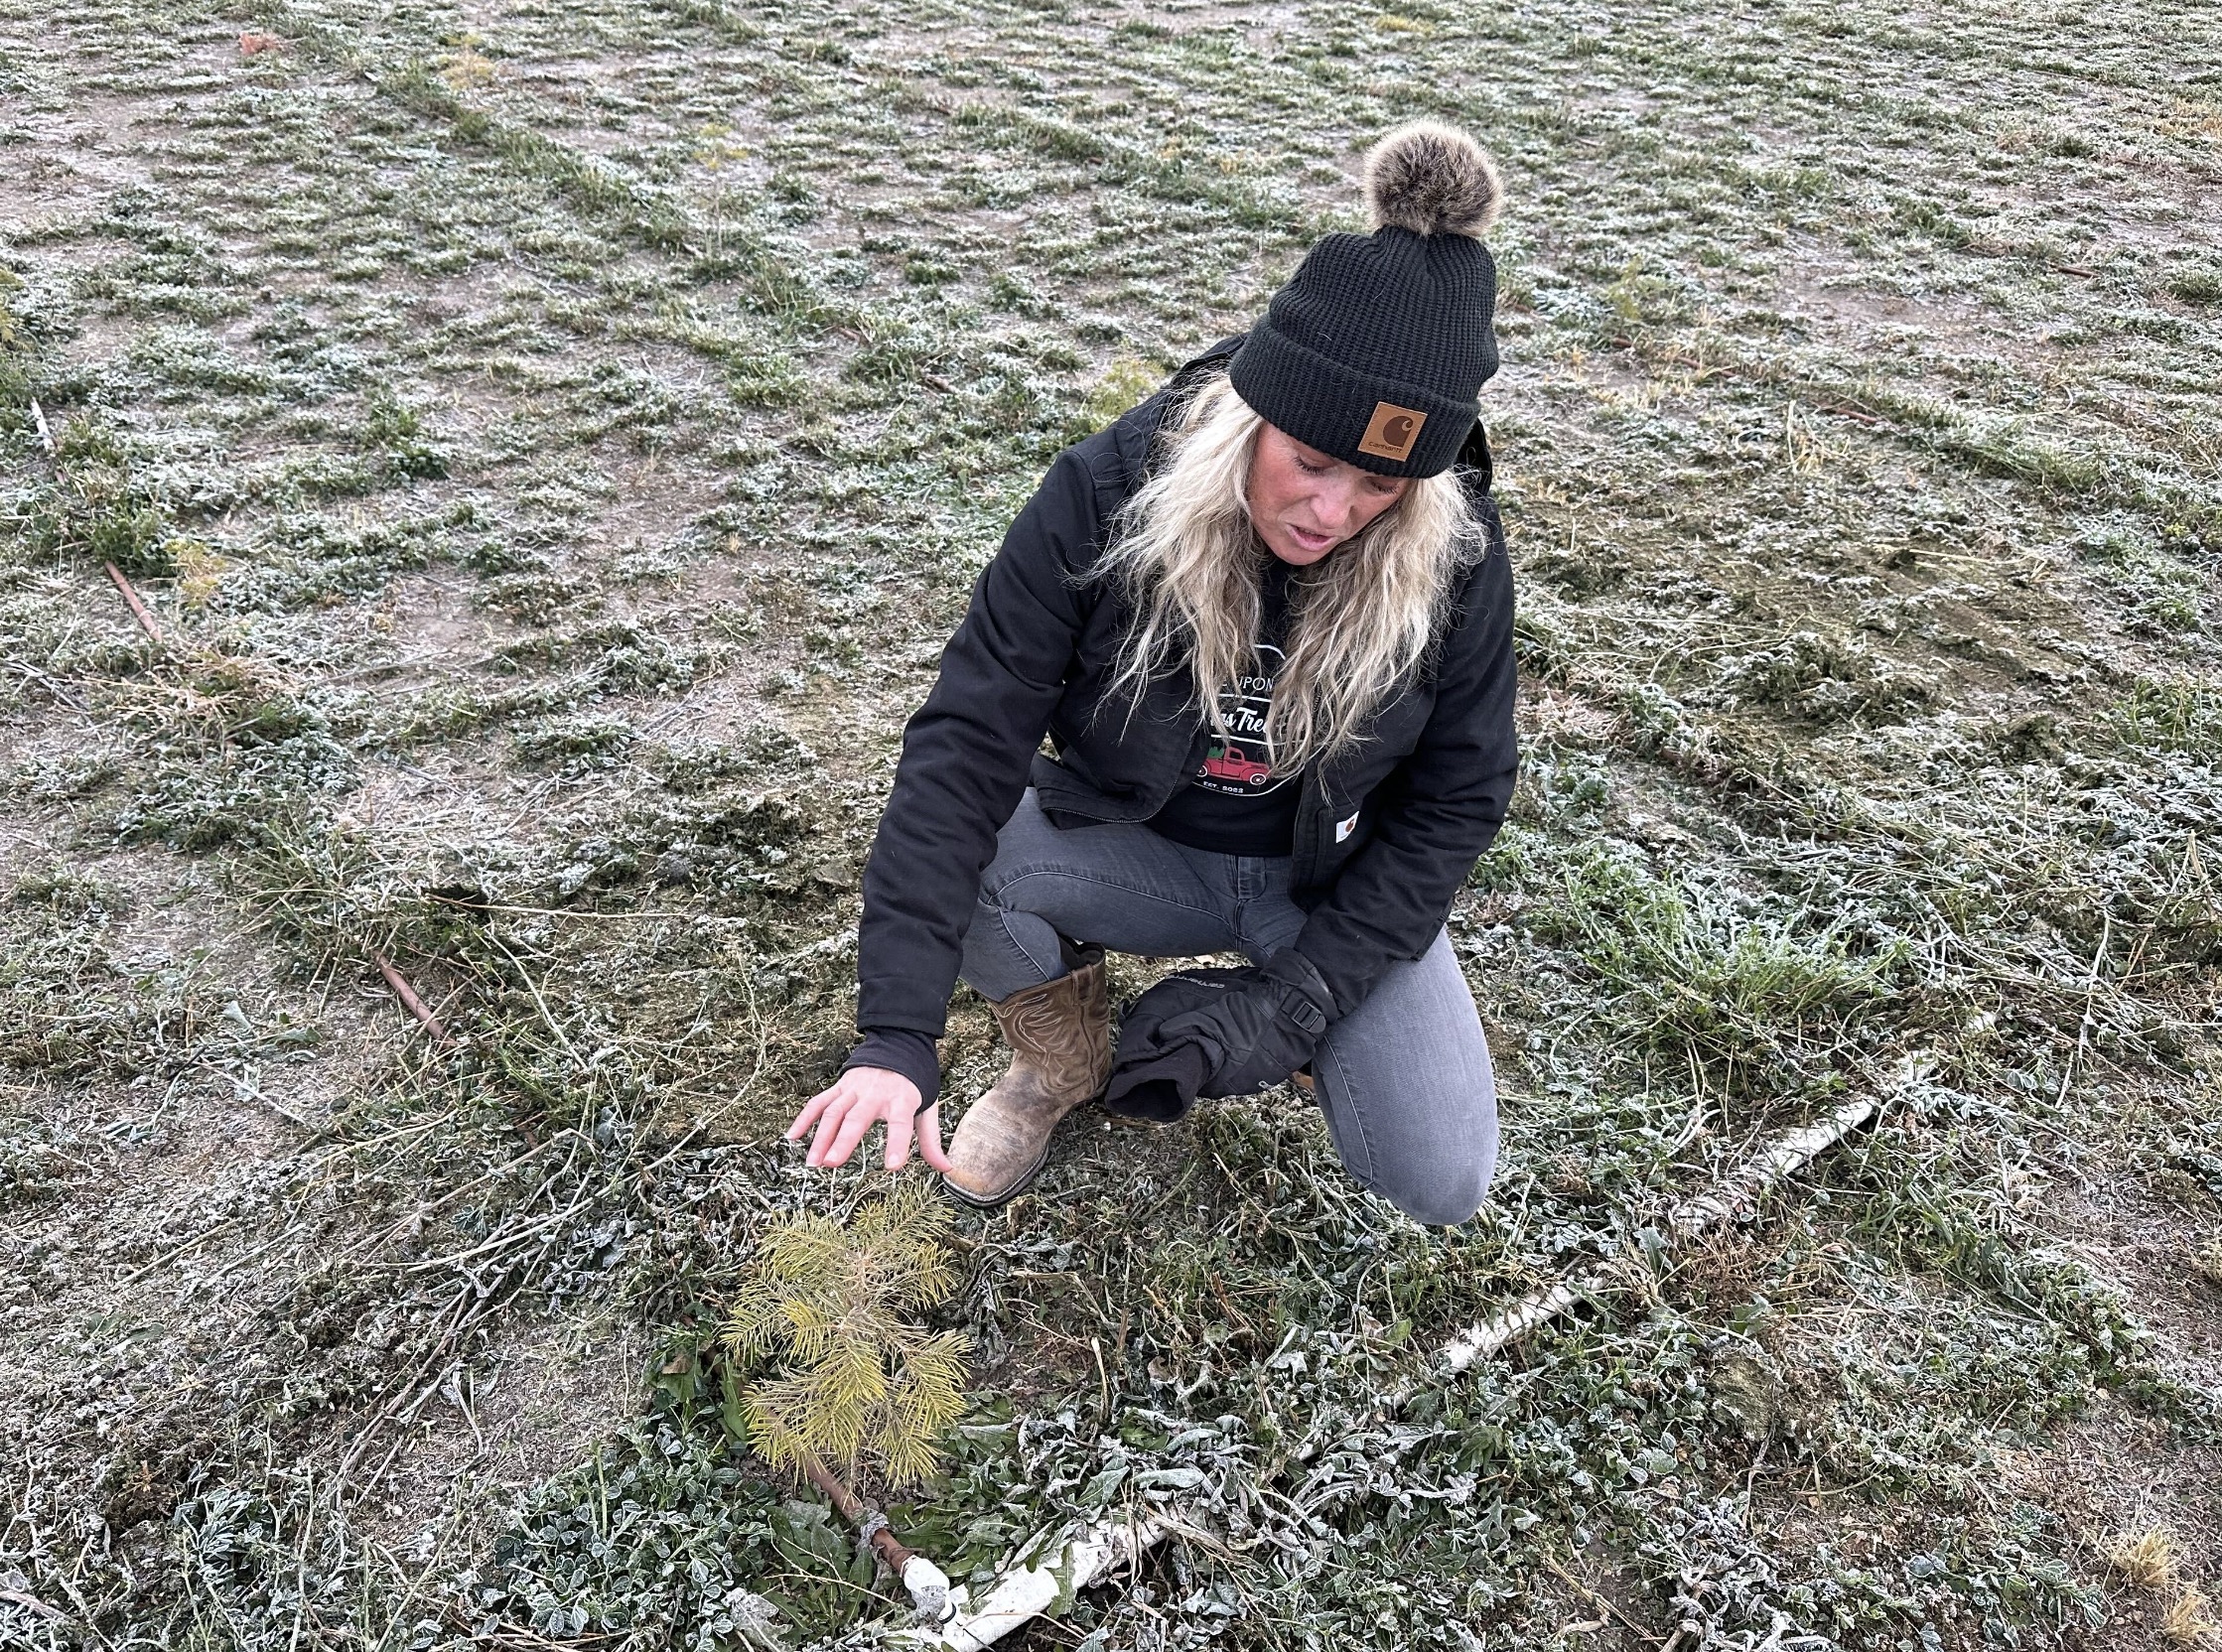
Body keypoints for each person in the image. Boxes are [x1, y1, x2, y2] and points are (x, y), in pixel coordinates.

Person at [784, 122, 1518, 1226]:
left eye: (1380, 485)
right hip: (1140, 841)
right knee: (982, 847)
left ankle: (1323, 1032)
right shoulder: (1107, 490)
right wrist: (895, 1033)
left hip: (1325, 876)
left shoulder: (1453, 554)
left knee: (1442, 1176)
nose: (1332, 510)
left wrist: (1290, 1002)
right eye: (1310, 461)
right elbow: (967, 741)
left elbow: (1460, 796)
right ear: (1257, 413)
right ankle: (1058, 1066)